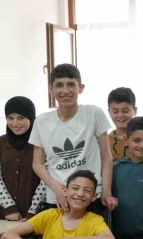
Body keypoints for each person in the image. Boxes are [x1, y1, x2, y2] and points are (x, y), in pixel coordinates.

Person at [30, 64, 117, 214]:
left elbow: (106, 156)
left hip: (91, 194)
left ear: (80, 88)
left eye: (71, 84)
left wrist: (106, 191)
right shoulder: (41, 121)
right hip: (58, 196)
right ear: (51, 89)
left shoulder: (94, 113)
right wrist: (57, 188)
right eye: (59, 85)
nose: (65, 91)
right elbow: (37, 164)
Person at [0, 96, 46, 220]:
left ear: (31, 118)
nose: (15, 123)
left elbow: (46, 180)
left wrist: (33, 211)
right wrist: (9, 207)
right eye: (10, 118)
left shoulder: (42, 142)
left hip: (37, 214)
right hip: (6, 214)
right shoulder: (0, 143)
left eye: (21, 118)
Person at [106, 87, 143, 161]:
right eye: (115, 111)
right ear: (109, 112)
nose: (120, 115)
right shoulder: (105, 141)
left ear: (135, 110)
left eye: (125, 111)